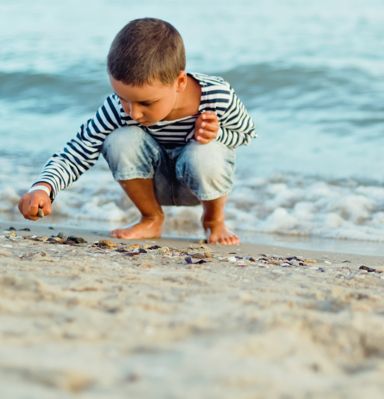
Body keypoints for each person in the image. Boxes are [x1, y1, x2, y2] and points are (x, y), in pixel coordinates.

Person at [17, 18, 255, 244]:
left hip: (198, 184)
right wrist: (43, 188)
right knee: (120, 138)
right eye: (123, 99)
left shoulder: (217, 96)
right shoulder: (118, 109)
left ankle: (214, 221)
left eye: (146, 103)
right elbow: (79, 149)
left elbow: (248, 134)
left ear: (180, 82)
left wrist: (217, 135)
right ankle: (151, 218)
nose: (133, 113)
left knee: (207, 151)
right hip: (152, 183)